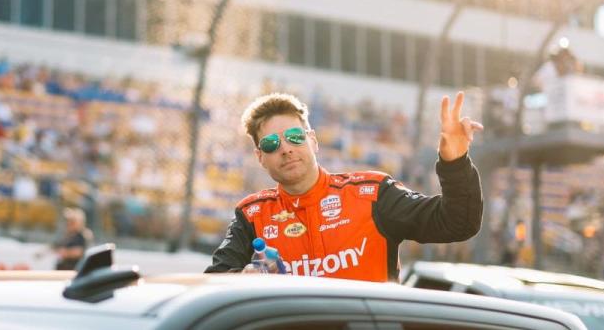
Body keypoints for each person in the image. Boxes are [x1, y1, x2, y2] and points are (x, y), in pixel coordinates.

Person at [205, 91, 484, 282]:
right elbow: (212, 287)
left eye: (294, 137)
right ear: (260, 157)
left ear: (313, 141)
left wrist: (455, 162)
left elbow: (459, 222)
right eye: (271, 144)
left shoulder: (372, 194)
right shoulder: (252, 215)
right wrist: (242, 280)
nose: (286, 149)